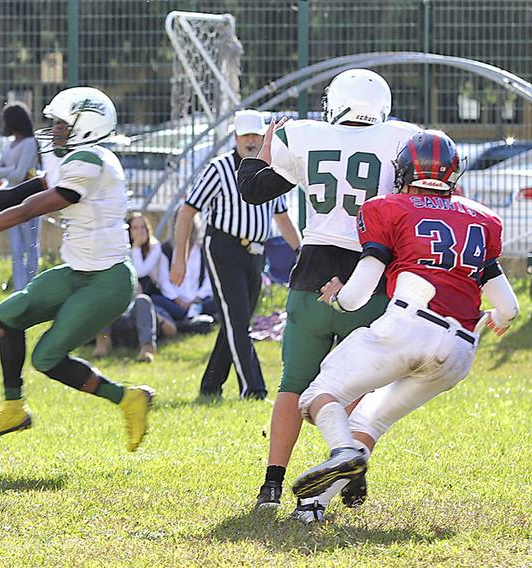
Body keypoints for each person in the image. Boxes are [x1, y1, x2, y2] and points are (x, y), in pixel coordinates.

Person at [291, 130, 519, 512]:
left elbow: (359, 291)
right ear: (453, 172)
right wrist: (493, 317)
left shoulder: (390, 207)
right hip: (460, 349)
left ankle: (343, 449)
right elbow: (509, 308)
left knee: (318, 395)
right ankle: (312, 507)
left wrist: (338, 299)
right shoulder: (482, 219)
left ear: (403, 170)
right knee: (371, 420)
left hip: (409, 324)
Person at [236, 69, 421, 522]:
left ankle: (271, 484)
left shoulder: (304, 135)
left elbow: (253, 188)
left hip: (312, 274)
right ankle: (346, 466)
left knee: (293, 385)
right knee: (355, 387)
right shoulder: (402, 139)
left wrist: (263, 149)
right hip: (371, 274)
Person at [0, 87, 154, 452]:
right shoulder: (81, 159)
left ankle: (128, 398)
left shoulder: (90, 162)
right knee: (10, 313)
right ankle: (13, 407)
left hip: (107, 281)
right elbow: (22, 192)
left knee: (46, 357)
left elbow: (28, 209)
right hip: (80, 271)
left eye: (62, 124)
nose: (55, 130)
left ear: (87, 127)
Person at [171, 110, 301, 401]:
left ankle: (210, 386)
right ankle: (253, 389)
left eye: (256, 134)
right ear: (235, 138)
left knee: (235, 321)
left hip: (256, 252)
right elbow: (188, 210)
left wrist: (301, 252)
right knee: (239, 320)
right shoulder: (219, 168)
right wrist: (179, 258)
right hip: (224, 248)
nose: (251, 141)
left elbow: (282, 217)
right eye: (246, 136)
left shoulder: (272, 169)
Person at [94, 211, 175, 360]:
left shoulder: (154, 247)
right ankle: (103, 342)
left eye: (143, 227)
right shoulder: (118, 252)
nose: (140, 231)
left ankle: (147, 348)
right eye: (135, 228)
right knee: (106, 300)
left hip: (146, 306)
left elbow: (140, 271)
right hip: (120, 313)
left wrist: (136, 247)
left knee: (143, 300)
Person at [0, 102, 41, 291]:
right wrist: (13, 170)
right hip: (11, 198)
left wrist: (11, 171)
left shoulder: (30, 143)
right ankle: (19, 291)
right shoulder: (10, 144)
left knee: (31, 246)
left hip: (30, 197)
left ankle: (31, 288)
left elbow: (20, 176)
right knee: (16, 249)